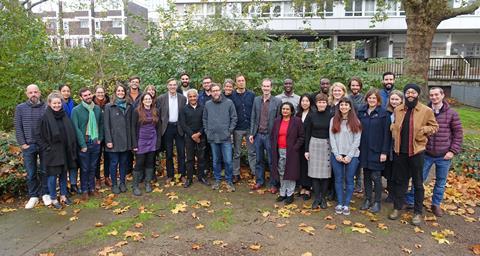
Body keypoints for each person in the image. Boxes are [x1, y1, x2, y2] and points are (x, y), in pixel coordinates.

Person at [405, 87, 463, 217]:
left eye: (437, 94)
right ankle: (411, 200)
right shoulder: (425, 111)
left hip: (444, 154)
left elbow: (458, 134)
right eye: (431, 95)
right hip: (426, 153)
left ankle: (436, 204)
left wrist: (453, 151)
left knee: (441, 182)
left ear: (442, 95)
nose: (434, 97)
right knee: (418, 179)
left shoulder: (452, 114)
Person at [388, 84, 438, 226]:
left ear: (417, 94)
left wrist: (423, 130)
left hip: (417, 151)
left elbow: (435, 127)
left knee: (417, 183)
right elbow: (394, 124)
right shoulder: (398, 109)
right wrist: (393, 128)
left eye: (413, 92)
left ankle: (417, 212)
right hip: (400, 152)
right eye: (408, 92)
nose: (410, 94)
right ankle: (397, 208)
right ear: (405, 94)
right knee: (400, 181)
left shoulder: (426, 110)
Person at [36, 92, 77, 209]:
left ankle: (63, 195)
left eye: (59, 103)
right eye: (54, 103)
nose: (57, 105)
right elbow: (38, 136)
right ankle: (53, 198)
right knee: (52, 176)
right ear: (49, 103)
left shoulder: (64, 115)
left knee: (64, 174)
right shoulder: (44, 118)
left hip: (65, 150)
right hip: (52, 152)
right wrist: (46, 148)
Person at [14, 84, 49, 209]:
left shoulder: (46, 107)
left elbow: (49, 126)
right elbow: (18, 127)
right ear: (26, 94)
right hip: (29, 145)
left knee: (45, 170)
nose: (33, 94)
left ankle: (46, 193)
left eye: (35, 92)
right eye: (30, 92)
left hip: (44, 145)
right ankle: (33, 196)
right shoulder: (20, 108)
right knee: (31, 172)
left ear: (39, 93)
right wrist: (23, 143)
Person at [358, 89, 391, 213]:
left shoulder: (384, 114)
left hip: (377, 150)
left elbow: (386, 135)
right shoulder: (361, 112)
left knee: (376, 176)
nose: (371, 100)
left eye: (374, 98)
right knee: (366, 175)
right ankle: (367, 199)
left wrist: (384, 152)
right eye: (369, 98)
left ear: (378, 100)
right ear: (366, 99)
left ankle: (377, 201)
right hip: (364, 149)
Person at [329, 97, 362, 215]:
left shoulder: (356, 121)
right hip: (336, 154)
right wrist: (336, 154)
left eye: (346, 105)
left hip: (352, 155)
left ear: (350, 107)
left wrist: (349, 156)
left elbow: (357, 140)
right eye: (341, 105)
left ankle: (346, 204)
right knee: (338, 179)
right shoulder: (333, 120)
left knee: (349, 180)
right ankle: (339, 202)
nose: (343, 107)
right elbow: (331, 138)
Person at [203, 83, 237, 191]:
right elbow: (204, 119)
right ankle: (217, 180)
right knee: (216, 160)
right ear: (211, 93)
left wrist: (229, 131)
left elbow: (234, 118)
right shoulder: (208, 104)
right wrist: (207, 131)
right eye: (213, 91)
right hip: (213, 137)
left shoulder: (228, 102)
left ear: (220, 91)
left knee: (228, 160)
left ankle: (229, 181)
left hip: (225, 137)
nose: (215, 92)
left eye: (217, 90)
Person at [249, 78, 282, 193]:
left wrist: (276, 136)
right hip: (258, 135)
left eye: (268, 86)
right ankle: (260, 181)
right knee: (259, 160)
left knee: (272, 161)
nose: (266, 88)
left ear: (271, 88)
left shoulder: (277, 101)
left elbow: (279, 120)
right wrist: (252, 133)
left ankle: (274, 184)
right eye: (264, 86)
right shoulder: (256, 100)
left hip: (270, 136)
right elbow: (253, 117)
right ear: (261, 87)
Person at [71, 87, 104, 201]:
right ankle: (84, 189)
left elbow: (101, 124)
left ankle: (92, 188)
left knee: (93, 167)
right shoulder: (76, 110)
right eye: (85, 95)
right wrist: (82, 145)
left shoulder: (97, 109)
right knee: (84, 168)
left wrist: (100, 138)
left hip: (95, 142)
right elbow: (75, 129)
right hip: (84, 143)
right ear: (81, 97)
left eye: (89, 94)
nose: (88, 97)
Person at [271, 102, 304, 204]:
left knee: (290, 172)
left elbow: (302, 136)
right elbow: (273, 136)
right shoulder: (277, 121)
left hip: (291, 151)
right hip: (279, 150)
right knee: (281, 171)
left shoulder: (297, 121)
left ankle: (290, 194)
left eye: (287, 109)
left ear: (291, 111)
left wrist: (295, 148)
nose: (285, 111)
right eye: (283, 109)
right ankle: (282, 193)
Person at [304, 94, 332, 209]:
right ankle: (317, 198)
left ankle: (323, 198)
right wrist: (306, 150)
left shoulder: (331, 116)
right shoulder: (311, 116)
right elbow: (307, 133)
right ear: (316, 103)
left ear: (327, 104)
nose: (321, 104)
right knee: (314, 174)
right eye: (319, 102)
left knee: (325, 174)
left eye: (323, 102)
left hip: (327, 145)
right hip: (314, 144)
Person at [131, 93, 162, 196]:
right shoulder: (137, 111)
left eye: (150, 99)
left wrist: (158, 142)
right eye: (146, 99)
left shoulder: (156, 111)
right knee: (139, 163)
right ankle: (135, 186)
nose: (148, 100)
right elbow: (133, 128)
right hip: (141, 140)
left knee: (150, 162)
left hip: (152, 140)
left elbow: (159, 128)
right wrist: (134, 144)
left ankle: (148, 183)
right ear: (142, 100)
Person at [157, 79, 187, 184]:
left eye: (174, 85)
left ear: (177, 86)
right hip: (167, 128)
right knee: (169, 153)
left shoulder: (183, 98)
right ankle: (170, 175)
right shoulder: (161, 98)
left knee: (181, 153)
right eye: (170, 85)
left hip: (179, 128)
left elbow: (185, 114)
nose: (172, 87)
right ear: (167, 86)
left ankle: (182, 174)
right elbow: (159, 115)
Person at [104, 84, 132, 194]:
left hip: (125, 139)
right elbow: (106, 125)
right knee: (114, 163)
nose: (121, 92)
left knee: (123, 162)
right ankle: (114, 184)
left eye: (122, 91)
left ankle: (123, 183)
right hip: (114, 140)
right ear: (115, 92)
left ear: (125, 92)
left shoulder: (129, 106)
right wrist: (108, 141)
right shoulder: (109, 106)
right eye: (118, 91)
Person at [180, 89, 210, 187]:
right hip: (189, 137)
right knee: (189, 158)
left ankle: (201, 177)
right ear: (188, 98)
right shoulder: (184, 109)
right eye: (190, 96)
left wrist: (199, 134)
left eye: (194, 96)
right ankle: (189, 179)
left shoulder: (203, 108)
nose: (192, 98)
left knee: (201, 158)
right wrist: (193, 135)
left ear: (197, 97)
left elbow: (205, 122)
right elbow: (183, 124)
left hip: (201, 136)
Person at [230, 74, 256, 182]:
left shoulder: (252, 95)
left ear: (245, 82)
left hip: (250, 127)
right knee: (237, 152)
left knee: (252, 152)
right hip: (237, 128)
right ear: (236, 83)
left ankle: (255, 172)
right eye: (239, 81)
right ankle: (236, 174)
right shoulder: (232, 96)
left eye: (243, 80)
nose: (241, 82)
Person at [58, 84, 81, 193]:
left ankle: (73, 184)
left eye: (68, 91)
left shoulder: (74, 104)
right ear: (60, 92)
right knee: (64, 163)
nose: (66, 93)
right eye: (64, 91)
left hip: (74, 136)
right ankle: (64, 186)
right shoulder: (57, 104)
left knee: (74, 162)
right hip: (62, 137)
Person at [383, 90, 404, 203]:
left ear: (401, 100)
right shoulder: (387, 113)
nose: (394, 101)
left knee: (400, 171)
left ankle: (399, 194)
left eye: (397, 99)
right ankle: (391, 193)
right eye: (392, 99)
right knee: (390, 170)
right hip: (389, 145)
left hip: (401, 146)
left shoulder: (405, 112)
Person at [348, 77, 365, 193]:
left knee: (357, 156)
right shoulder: (346, 98)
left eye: (357, 85)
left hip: (360, 129)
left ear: (360, 87)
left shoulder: (364, 98)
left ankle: (358, 182)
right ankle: (348, 180)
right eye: (353, 85)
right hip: (347, 130)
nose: (355, 87)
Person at [93, 86, 111, 188]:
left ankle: (107, 177)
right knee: (97, 157)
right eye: (98, 92)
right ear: (95, 93)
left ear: (105, 93)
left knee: (108, 156)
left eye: (102, 92)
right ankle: (97, 179)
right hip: (96, 134)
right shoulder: (91, 104)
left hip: (107, 133)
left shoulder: (108, 104)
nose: (100, 94)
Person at [295, 94, 313, 201]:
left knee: (308, 166)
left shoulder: (313, 114)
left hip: (309, 143)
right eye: (303, 101)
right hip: (299, 144)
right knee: (300, 165)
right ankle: (301, 187)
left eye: (307, 101)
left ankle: (308, 188)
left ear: (310, 102)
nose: (304, 103)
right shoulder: (298, 114)